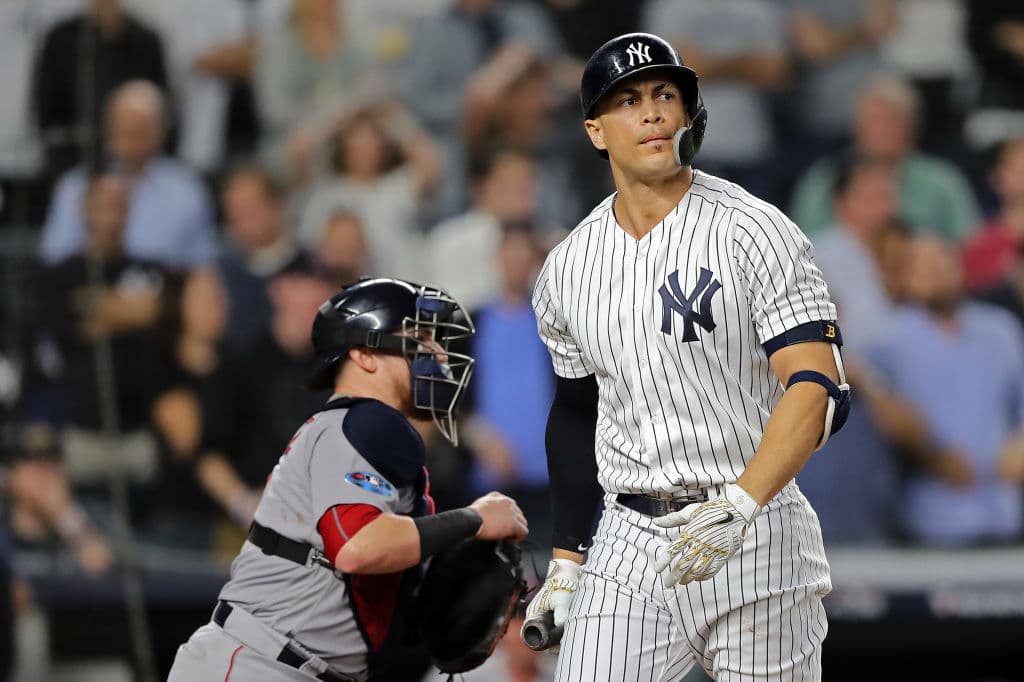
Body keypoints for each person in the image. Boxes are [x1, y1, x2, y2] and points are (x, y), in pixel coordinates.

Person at [523, 33, 846, 680]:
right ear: (595, 131)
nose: (651, 113)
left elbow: (820, 389)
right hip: (629, 537)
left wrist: (743, 504)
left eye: (665, 95)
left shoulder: (754, 230)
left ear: (687, 115)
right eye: (628, 100)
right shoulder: (566, 268)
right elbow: (576, 413)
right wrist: (567, 556)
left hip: (755, 524)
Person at [167, 277, 529, 681]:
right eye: (419, 339)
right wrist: (474, 519)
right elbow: (357, 547)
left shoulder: (367, 434)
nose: (439, 353)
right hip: (261, 663)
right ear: (365, 355)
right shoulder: (360, 422)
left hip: (288, 663)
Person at [870, 237, 1024, 546]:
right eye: (925, 268)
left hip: (1003, 511)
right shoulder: (886, 340)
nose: (937, 275)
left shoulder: (1000, 330)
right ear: (906, 278)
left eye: (943, 264)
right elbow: (880, 417)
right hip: (930, 518)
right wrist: (930, 456)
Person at [39, 81, 217, 268]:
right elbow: (55, 258)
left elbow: (204, 264)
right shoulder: (75, 185)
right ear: (108, 129)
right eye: (123, 128)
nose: (130, 138)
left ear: (161, 132)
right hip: (92, 289)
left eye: (140, 129)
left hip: (165, 290)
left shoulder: (187, 190)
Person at [789, 73, 982, 240]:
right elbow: (802, 249)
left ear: (912, 128)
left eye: (892, 120)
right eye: (874, 120)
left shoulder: (943, 181)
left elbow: (971, 246)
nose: (882, 130)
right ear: (856, 128)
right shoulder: (823, 181)